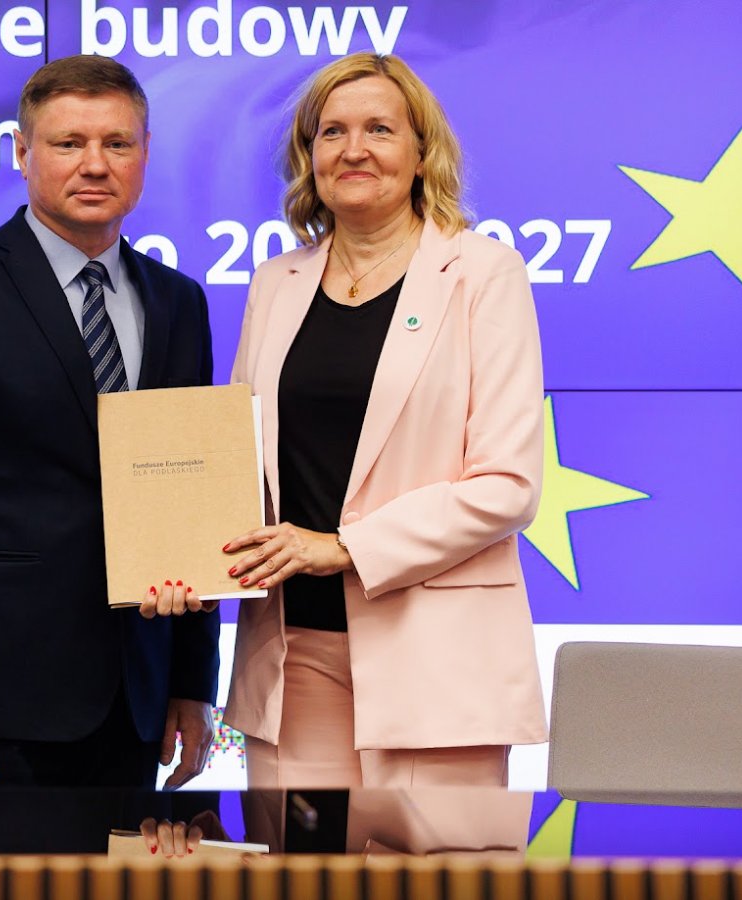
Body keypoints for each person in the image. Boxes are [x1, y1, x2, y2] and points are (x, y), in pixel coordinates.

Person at [157, 52, 548, 787]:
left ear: (422, 152)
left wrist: (342, 548)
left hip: (437, 666)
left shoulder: (484, 273)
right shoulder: (276, 282)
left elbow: (508, 486)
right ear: (309, 157)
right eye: (331, 132)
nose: (354, 149)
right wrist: (184, 560)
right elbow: (239, 468)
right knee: (296, 854)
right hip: (290, 659)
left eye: (380, 129)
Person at [0, 55, 220, 793]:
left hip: (136, 703)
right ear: (22, 153)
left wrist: (191, 679)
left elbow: (189, 499)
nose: (95, 164)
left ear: (145, 153)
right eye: (68, 143)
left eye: (116, 143)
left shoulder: (178, 301)